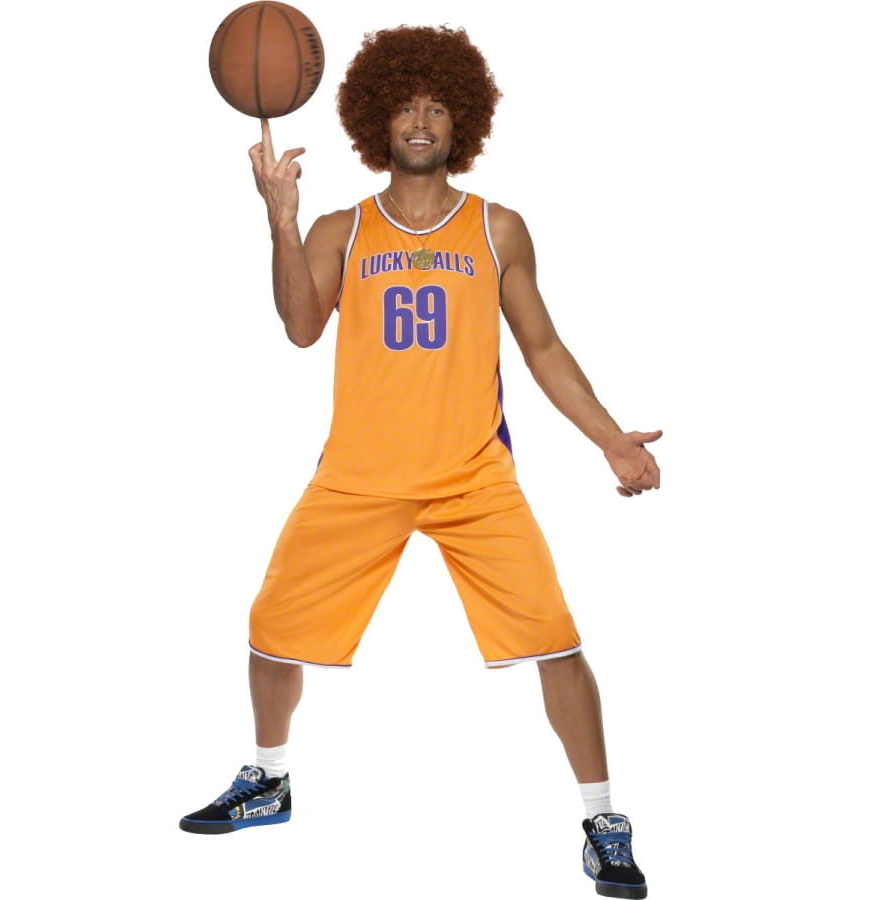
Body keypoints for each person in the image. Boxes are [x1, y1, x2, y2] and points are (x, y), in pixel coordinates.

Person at [180, 25, 659, 900]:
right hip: (359, 475)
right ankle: (268, 780)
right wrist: (281, 221)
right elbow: (300, 326)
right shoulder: (343, 228)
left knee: (558, 642)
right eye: (405, 105)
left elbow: (544, 348)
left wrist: (611, 438)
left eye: (438, 107)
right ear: (377, 119)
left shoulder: (497, 228)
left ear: (461, 122)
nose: (421, 120)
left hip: (474, 479)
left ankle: (604, 823)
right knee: (269, 630)